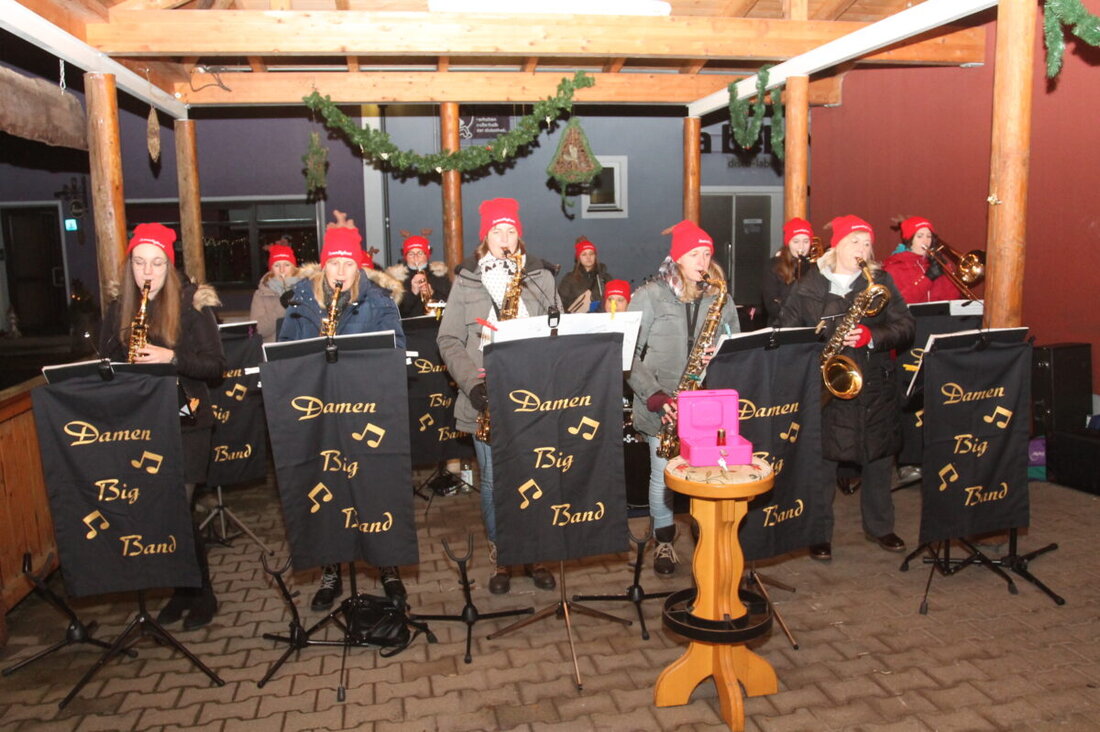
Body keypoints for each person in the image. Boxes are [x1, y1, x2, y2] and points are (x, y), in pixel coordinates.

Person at [99, 223, 226, 630]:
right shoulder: (120, 307)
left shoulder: (192, 303)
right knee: (161, 512)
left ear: (169, 267)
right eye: (139, 263)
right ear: (129, 266)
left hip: (187, 420)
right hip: (142, 422)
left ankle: (202, 593)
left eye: (156, 263)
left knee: (177, 507)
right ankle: (182, 590)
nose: (146, 272)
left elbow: (215, 367)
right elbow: (103, 360)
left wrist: (168, 357)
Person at [279, 222, 408, 611]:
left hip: (366, 411)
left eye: (347, 263)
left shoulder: (380, 301)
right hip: (319, 414)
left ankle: (387, 566)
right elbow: (284, 355)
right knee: (326, 491)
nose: (339, 271)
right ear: (322, 266)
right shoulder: (301, 302)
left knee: (375, 489)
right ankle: (331, 570)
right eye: (333, 262)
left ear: (359, 268)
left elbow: (396, 351)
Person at [436, 197, 561, 595]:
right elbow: (448, 338)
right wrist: (473, 384)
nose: (505, 238)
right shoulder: (468, 280)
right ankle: (502, 556)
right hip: (485, 395)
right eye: (497, 231)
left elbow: (558, 328)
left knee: (538, 473)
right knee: (492, 481)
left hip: (533, 394)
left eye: (511, 231)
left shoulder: (540, 277)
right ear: (484, 238)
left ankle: (537, 552)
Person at [778, 215, 915, 561]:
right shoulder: (808, 286)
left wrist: (874, 336)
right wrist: (816, 344)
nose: (863, 249)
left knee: (879, 461)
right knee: (822, 466)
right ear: (837, 244)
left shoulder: (880, 282)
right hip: (827, 386)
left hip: (873, 386)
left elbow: (906, 326)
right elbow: (786, 332)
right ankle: (819, 533)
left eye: (867, 243)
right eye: (856, 241)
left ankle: (881, 527)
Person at [627, 220, 740, 576]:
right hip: (663, 404)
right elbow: (627, 354)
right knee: (662, 475)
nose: (703, 260)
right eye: (695, 253)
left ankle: (709, 540)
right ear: (677, 258)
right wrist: (656, 395)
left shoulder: (719, 295)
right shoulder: (649, 294)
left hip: (706, 403)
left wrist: (720, 356)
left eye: (707, 253)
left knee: (708, 474)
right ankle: (663, 540)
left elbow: (735, 343)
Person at [882, 216, 964, 304]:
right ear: (909, 240)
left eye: (929, 236)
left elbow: (953, 298)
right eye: (920, 236)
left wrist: (945, 270)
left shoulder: (933, 263)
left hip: (939, 316)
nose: (925, 241)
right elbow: (900, 302)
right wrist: (928, 278)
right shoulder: (893, 267)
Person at [761, 217, 816, 326]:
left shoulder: (814, 268)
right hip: (781, 325)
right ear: (788, 243)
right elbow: (771, 305)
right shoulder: (773, 265)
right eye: (796, 241)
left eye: (806, 241)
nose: (801, 246)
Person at [388, 233, 452, 318]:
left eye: (420, 253)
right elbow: (396, 312)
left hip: (436, 326)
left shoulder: (439, 275)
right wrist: (413, 293)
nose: (416, 257)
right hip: (409, 329)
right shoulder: (396, 280)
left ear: (427, 255)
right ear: (405, 257)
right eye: (411, 254)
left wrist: (433, 293)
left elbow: (451, 305)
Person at [250, 239, 301, 343]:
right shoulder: (261, 294)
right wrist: (282, 307)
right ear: (271, 269)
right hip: (273, 351)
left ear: (294, 268)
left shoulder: (306, 290)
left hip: (302, 349)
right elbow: (257, 330)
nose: (282, 270)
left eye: (286, 265)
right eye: (277, 265)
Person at [558, 237, 611, 313]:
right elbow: (560, 304)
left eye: (591, 253)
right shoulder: (569, 279)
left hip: (601, 321)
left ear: (595, 256)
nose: (588, 257)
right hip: (577, 321)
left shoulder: (605, 278)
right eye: (584, 254)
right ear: (578, 258)